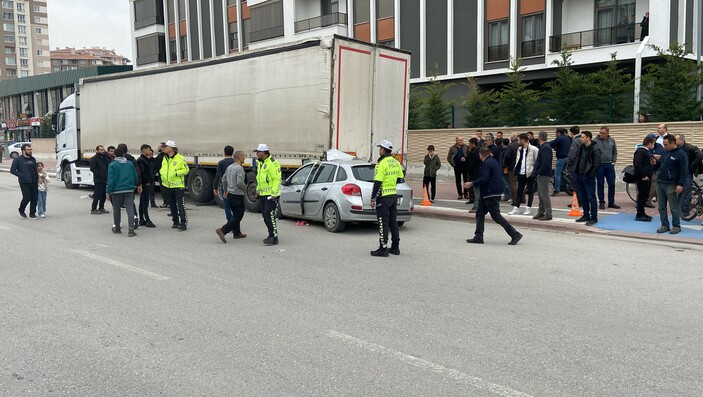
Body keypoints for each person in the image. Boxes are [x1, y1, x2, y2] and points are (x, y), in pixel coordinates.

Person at [464, 147, 522, 245]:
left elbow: (485, 178)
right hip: (490, 192)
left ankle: (515, 234)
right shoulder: (493, 161)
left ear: (480, 155)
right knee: (479, 213)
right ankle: (478, 236)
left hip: (490, 193)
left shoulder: (487, 164)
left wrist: (472, 183)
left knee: (496, 216)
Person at [370, 140, 404, 256]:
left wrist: (373, 198)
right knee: (393, 222)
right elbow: (400, 179)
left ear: (383, 150)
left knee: (382, 222)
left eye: (380, 148)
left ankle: (383, 248)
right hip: (393, 196)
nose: (379, 150)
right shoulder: (396, 162)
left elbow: (377, 182)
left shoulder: (381, 163)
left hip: (383, 197)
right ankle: (395, 247)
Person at [656, 136, 688, 234]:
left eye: (666, 145)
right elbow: (661, 165)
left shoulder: (681, 155)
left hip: (672, 184)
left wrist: (680, 184)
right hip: (660, 182)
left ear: (672, 143)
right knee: (661, 206)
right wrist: (655, 163)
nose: (664, 147)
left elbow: (684, 171)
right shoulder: (665, 152)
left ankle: (676, 225)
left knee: (673, 206)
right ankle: (664, 225)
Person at [106, 147, 140, 237]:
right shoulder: (129, 164)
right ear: (124, 154)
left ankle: (117, 228)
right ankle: (131, 229)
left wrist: (108, 192)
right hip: (129, 189)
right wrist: (135, 185)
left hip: (116, 190)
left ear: (114, 154)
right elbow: (135, 176)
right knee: (130, 209)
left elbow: (111, 180)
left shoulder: (112, 165)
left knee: (116, 210)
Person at [215, 151, 248, 243]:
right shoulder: (239, 168)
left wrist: (225, 191)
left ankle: (237, 233)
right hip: (237, 195)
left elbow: (223, 179)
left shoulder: (229, 167)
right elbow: (240, 183)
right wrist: (247, 189)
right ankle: (223, 230)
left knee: (235, 214)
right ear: (239, 157)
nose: (245, 158)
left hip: (230, 194)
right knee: (238, 215)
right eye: (244, 156)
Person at [572, 131, 601, 226]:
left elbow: (596, 164)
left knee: (591, 197)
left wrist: (590, 175)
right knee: (583, 196)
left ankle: (594, 217)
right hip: (579, 174)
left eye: (583, 137)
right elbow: (578, 159)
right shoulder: (581, 147)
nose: (581, 139)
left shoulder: (595, 149)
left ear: (588, 138)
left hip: (588, 176)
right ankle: (586, 214)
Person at [255, 143, 282, 245]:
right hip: (263, 194)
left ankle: (274, 236)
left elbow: (276, 179)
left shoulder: (273, 163)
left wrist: (274, 193)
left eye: (258, 151)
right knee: (265, 215)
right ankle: (270, 234)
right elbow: (260, 179)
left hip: (271, 195)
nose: (256, 153)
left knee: (269, 215)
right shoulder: (261, 163)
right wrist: (258, 190)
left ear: (263, 152)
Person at [160, 140, 189, 231]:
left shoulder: (180, 158)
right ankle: (175, 221)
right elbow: (163, 169)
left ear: (171, 148)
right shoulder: (165, 158)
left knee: (180, 204)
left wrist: (176, 173)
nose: (163, 148)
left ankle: (183, 222)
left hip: (177, 185)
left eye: (165, 147)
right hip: (167, 185)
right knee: (172, 205)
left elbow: (186, 170)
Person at [508, 133, 538, 216]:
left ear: (523, 140)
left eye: (519, 140)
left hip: (529, 172)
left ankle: (529, 207)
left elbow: (537, 160)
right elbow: (518, 160)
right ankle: (516, 207)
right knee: (519, 190)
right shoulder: (519, 149)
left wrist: (533, 171)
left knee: (530, 190)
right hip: (521, 172)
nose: (517, 141)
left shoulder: (533, 149)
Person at [10, 143, 39, 220]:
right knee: (27, 198)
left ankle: (32, 213)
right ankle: (21, 209)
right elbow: (12, 170)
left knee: (35, 198)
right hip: (24, 182)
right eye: (28, 150)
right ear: (23, 151)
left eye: (30, 149)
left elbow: (35, 170)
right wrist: (22, 175)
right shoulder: (18, 160)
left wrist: (37, 178)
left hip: (34, 181)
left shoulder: (33, 159)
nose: (30, 151)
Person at [594, 126, 620, 210]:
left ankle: (611, 202)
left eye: (603, 133)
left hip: (609, 165)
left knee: (611, 184)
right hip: (600, 165)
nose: (600, 134)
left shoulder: (612, 141)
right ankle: (601, 202)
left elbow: (614, 152)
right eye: (600, 132)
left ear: (607, 133)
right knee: (600, 184)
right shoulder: (595, 141)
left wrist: (613, 161)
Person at [118, 143, 141, 228]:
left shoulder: (116, 161)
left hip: (118, 186)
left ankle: (117, 223)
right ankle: (134, 217)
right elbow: (137, 172)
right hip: (130, 185)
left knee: (117, 205)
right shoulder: (132, 160)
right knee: (130, 203)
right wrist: (138, 183)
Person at [633, 136, 655, 222]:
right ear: (650, 143)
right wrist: (643, 175)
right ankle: (639, 214)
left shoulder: (646, 151)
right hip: (642, 178)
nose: (653, 145)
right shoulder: (640, 151)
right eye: (653, 143)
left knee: (645, 195)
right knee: (642, 195)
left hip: (647, 176)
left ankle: (642, 212)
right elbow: (637, 164)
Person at [532, 131, 553, 221]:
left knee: (544, 194)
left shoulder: (545, 148)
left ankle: (548, 213)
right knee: (541, 194)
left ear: (539, 137)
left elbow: (545, 162)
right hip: (542, 173)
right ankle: (541, 211)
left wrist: (539, 171)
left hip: (543, 174)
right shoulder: (545, 147)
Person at [214, 145, 235, 222]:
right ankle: (235, 222)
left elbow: (217, 176)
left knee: (227, 205)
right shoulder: (235, 162)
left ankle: (230, 222)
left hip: (225, 186)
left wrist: (215, 188)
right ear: (232, 153)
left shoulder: (221, 163)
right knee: (234, 206)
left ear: (224, 153)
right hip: (235, 186)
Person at [137, 144, 156, 228]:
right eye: (149, 150)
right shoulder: (141, 160)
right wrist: (147, 181)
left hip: (146, 183)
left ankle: (141, 219)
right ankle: (147, 219)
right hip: (145, 184)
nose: (150, 151)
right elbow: (142, 173)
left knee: (143, 201)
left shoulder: (146, 159)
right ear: (144, 150)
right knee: (145, 202)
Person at [548, 128, 571, 195]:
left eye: (556, 133)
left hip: (561, 158)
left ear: (558, 133)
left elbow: (552, 143)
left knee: (557, 174)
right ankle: (567, 184)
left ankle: (557, 189)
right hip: (567, 158)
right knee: (562, 174)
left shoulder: (560, 138)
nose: (555, 134)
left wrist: (543, 144)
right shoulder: (567, 138)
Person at [89, 145, 111, 215]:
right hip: (98, 179)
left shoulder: (105, 158)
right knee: (97, 194)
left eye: (103, 150)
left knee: (104, 194)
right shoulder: (94, 159)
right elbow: (92, 168)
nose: (102, 151)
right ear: (97, 150)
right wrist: (100, 174)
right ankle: (93, 208)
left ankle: (101, 207)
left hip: (105, 178)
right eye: (101, 150)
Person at [466, 138, 482, 212]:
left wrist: (469, 172)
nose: (469, 146)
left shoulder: (473, 152)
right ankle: (480, 205)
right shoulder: (480, 150)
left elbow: (471, 164)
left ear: (473, 144)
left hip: (475, 174)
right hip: (480, 172)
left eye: (469, 144)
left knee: (477, 191)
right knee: (479, 191)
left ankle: (476, 206)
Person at [154, 142, 169, 208]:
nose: (159, 148)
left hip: (166, 175)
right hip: (161, 175)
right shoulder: (160, 155)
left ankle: (168, 203)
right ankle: (165, 202)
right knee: (163, 189)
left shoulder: (165, 156)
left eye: (160, 146)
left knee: (166, 189)